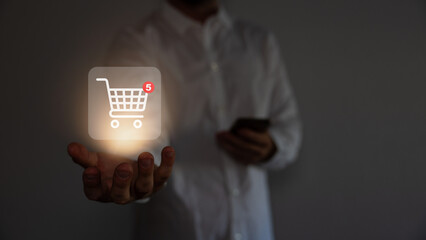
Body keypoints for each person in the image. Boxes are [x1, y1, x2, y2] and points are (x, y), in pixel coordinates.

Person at [68, 0, 302, 239]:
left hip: (256, 229)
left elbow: (289, 128)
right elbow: (141, 131)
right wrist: (133, 168)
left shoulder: (260, 43)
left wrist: (271, 146)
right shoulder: (137, 42)